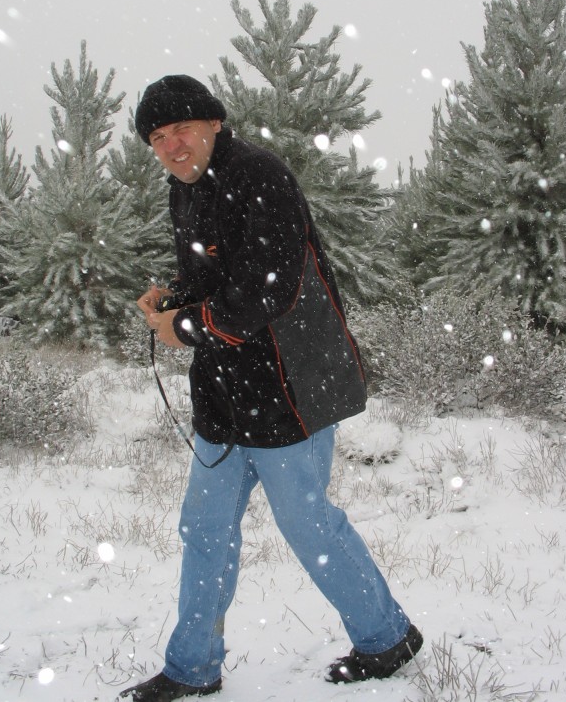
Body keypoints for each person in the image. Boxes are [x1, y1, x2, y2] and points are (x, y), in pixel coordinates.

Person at [121, 75, 422, 700]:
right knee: (204, 529)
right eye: (157, 136)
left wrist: (186, 325)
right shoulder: (185, 189)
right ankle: (192, 668)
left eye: (182, 129)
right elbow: (216, 274)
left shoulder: (259, 176)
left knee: (308, 524)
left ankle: (386, 637)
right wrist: (176, 298)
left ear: (214, 123)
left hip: (290, 385)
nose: (172, 145)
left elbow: (269, 288)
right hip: (226, 391)